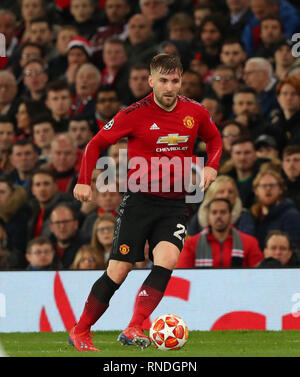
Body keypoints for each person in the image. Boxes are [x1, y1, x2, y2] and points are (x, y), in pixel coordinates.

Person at [69, 53, 222, 351]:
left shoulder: (196, 112)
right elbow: (96, 143)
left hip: (175, 203)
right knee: (119, 270)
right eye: (163, 81)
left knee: (166, 261)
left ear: (181, 81)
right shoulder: (133, 114)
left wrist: (211, 165)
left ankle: (135, 325)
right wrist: (84, 180)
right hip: (139, 201)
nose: (169, 87)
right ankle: (81, 330)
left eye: (175, 81)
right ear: (151, 81)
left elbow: (214, 139)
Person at [177, 198, 263, 268]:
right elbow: (184, 274)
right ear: (208, 217)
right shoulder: (190, 244)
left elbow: (258, 275)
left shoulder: (250, 242)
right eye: (214, 212)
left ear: (230, 216)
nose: (218, 216)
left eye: (223, 212)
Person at [187, 174, 256, 237]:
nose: (226, 195)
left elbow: (246, 243)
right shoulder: (199, 216)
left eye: (230, 192)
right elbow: (189, 241)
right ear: (212, 194)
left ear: (235, 196)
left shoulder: (244, 216)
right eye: (221, 192)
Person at [251, 167, 300, 250]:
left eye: (272, 185)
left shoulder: (291, 216)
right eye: (264, 186)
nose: (268, 189)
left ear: (280, 189)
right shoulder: (252, 215)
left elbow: (295, 249)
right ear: (256, 190)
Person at [27, 168, 78, 241]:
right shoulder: (31, 208)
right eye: (38, 185)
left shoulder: (65, 207)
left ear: (55, 186)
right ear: (33, 190)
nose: (42, 189)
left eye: (46, 184)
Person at [49, 203, 86, 269]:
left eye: (66, 222)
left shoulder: (87, 245)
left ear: (76, 224)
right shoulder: (45, 247)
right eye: (57, 222)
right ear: (51, 227)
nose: (62, 226)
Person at [282, 144, 300, 211]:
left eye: (296, 160)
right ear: (283, 165)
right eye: (287, 160)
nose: (291, 164)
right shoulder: (277, 188)